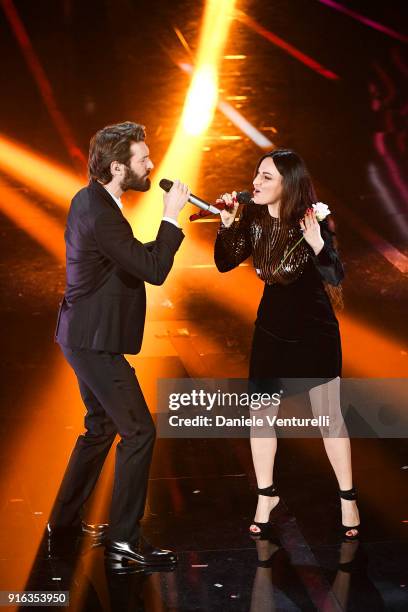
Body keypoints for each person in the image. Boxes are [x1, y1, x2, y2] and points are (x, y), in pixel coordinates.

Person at [52, 121, 190, 567]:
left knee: (100, 426)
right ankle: (125, 542)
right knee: (139, 431)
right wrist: (171, 217)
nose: (152, 165)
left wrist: (164, 235)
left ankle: (65, 521)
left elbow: (130, 257)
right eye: (143, 159)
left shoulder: (91, 198)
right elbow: (152, 269)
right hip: (94, 342)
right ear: (117, 167)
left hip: (81, 335)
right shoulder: (103, 214)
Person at [214, 149, 360, 541]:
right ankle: (266, 496)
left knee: (329, 418)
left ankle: (348, 498)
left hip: (314, 332)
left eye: (266, 178)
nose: (256, 183)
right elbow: (226, 262)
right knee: (260, 416)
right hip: (271, 330)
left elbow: (335, 274)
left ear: (287, 186)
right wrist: (228, 225)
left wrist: (316, 242)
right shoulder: (255, 219)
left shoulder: (311, 220)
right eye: (257, 175)